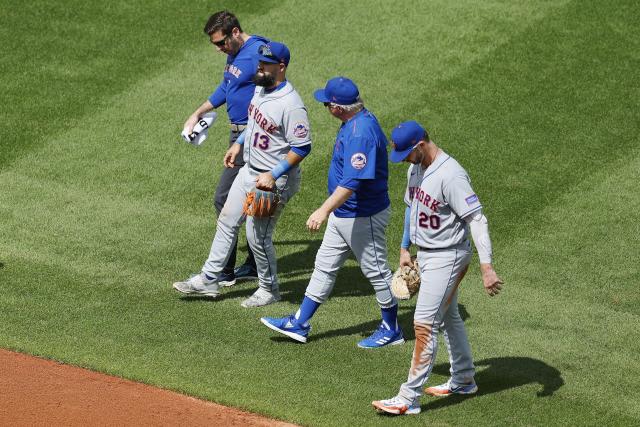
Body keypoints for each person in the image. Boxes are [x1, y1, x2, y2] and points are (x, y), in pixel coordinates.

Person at [372, 121, 504, 415]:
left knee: (424, 324)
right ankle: (464, 379)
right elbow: (410, 207)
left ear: (420, 146)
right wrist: (405, 247)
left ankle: (409, 398)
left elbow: (477, 220)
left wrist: (487, 267)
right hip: (426, 255)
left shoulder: (451, 175)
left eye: (407, 153)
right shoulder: (415, 169)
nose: (404, 159)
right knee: (448, 317)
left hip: (450, 257)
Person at [260, 77, 403, 348]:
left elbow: (353, 181)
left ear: (337, 107)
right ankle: (299, 323)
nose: (325, 107)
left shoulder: (360, 132)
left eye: (327, 103)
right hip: (345, 213)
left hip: (363, 214)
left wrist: (323, 210)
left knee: (377, 272)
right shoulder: (355, 121)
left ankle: (392, 328)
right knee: (324, 267)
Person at [173, 41, 312, 308]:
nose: (259, 68)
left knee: (256, 236)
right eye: (259, 63)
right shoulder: (261, 88)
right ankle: (210, 279)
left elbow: (302, 146)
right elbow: (254, 122)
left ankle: (269, 289)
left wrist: (274, 173)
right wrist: (238, 144)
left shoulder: (291, 104)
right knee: (227, 219)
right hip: (248, 170)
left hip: (272, 181)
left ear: (281, 67)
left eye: (266, 64)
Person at [182, 10, 265, 286]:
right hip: (238, 135)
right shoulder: (235, 53)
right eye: (215, 45)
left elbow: (274, 86)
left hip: (253, 138)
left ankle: (226, 270)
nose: (219, 50)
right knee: (251, 201)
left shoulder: (258, 53)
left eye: (221, 43)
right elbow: (227, 85)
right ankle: (255, 263)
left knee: (225, 198)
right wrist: (198, 112)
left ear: (235, 32)